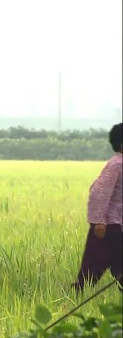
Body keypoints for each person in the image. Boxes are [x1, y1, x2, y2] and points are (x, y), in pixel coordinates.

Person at [71, 122, 122, 294]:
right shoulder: (116, 165)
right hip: (108, 225)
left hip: (117, 225)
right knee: (93, 266)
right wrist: (99, 222)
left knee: (111, 264)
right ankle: (75, 297)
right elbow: (98, 193)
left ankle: (76, 294)